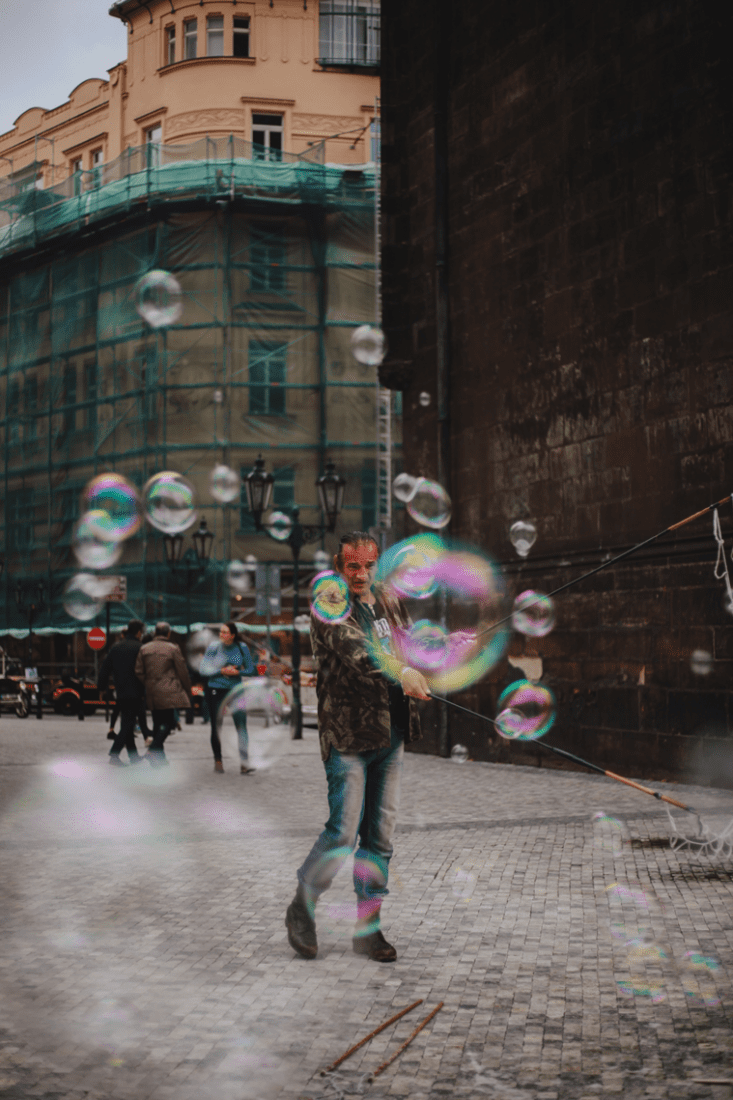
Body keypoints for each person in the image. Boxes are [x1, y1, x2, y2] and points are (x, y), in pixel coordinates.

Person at [285, 532, 430, 963]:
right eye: (353, 566)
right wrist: (400, 670)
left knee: (380, 838)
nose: (361, 574)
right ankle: (302, 907)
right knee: (343, 833)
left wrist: (439, 652)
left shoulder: (387, 598)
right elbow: (359, 651)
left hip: (391, 733)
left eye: (368, 565)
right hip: (348, 735)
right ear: (339, 564)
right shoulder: (329, 600)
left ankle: (368, 929)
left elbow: (405, 645)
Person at [134, 622, 192, 767]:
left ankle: (159, 760)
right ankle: (153, 751)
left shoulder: (144, 648)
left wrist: (148, 682)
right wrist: (187, 689)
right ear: (168, 633)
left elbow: (139, 671)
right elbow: (182, 671)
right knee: (168, 723)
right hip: (169, 690)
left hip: (152, 691)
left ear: (155, 633)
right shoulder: (173, 649)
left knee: (157, 724)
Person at [201, 622, 256, 774]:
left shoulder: (241, 647)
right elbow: (203, 669)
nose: (221, 634)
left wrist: (236, 673)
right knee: (216, 727)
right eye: (220, 632)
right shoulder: (213, 647)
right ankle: (218, 761)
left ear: (232, 635)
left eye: (225, 632)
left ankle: (244, 763)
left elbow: (251, 669)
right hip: (216, 690)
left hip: (235, 690)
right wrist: (221, 671)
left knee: (241, 725)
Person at [97, 620, 148, 767]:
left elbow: (105, 669)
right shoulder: (140, 648)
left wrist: (101, 687)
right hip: (136, 692)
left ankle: (133, 756)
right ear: (138, 632)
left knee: (127, 722)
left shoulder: (116, 647)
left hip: (121, 692)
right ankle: (114, 753)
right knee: (128, 724)